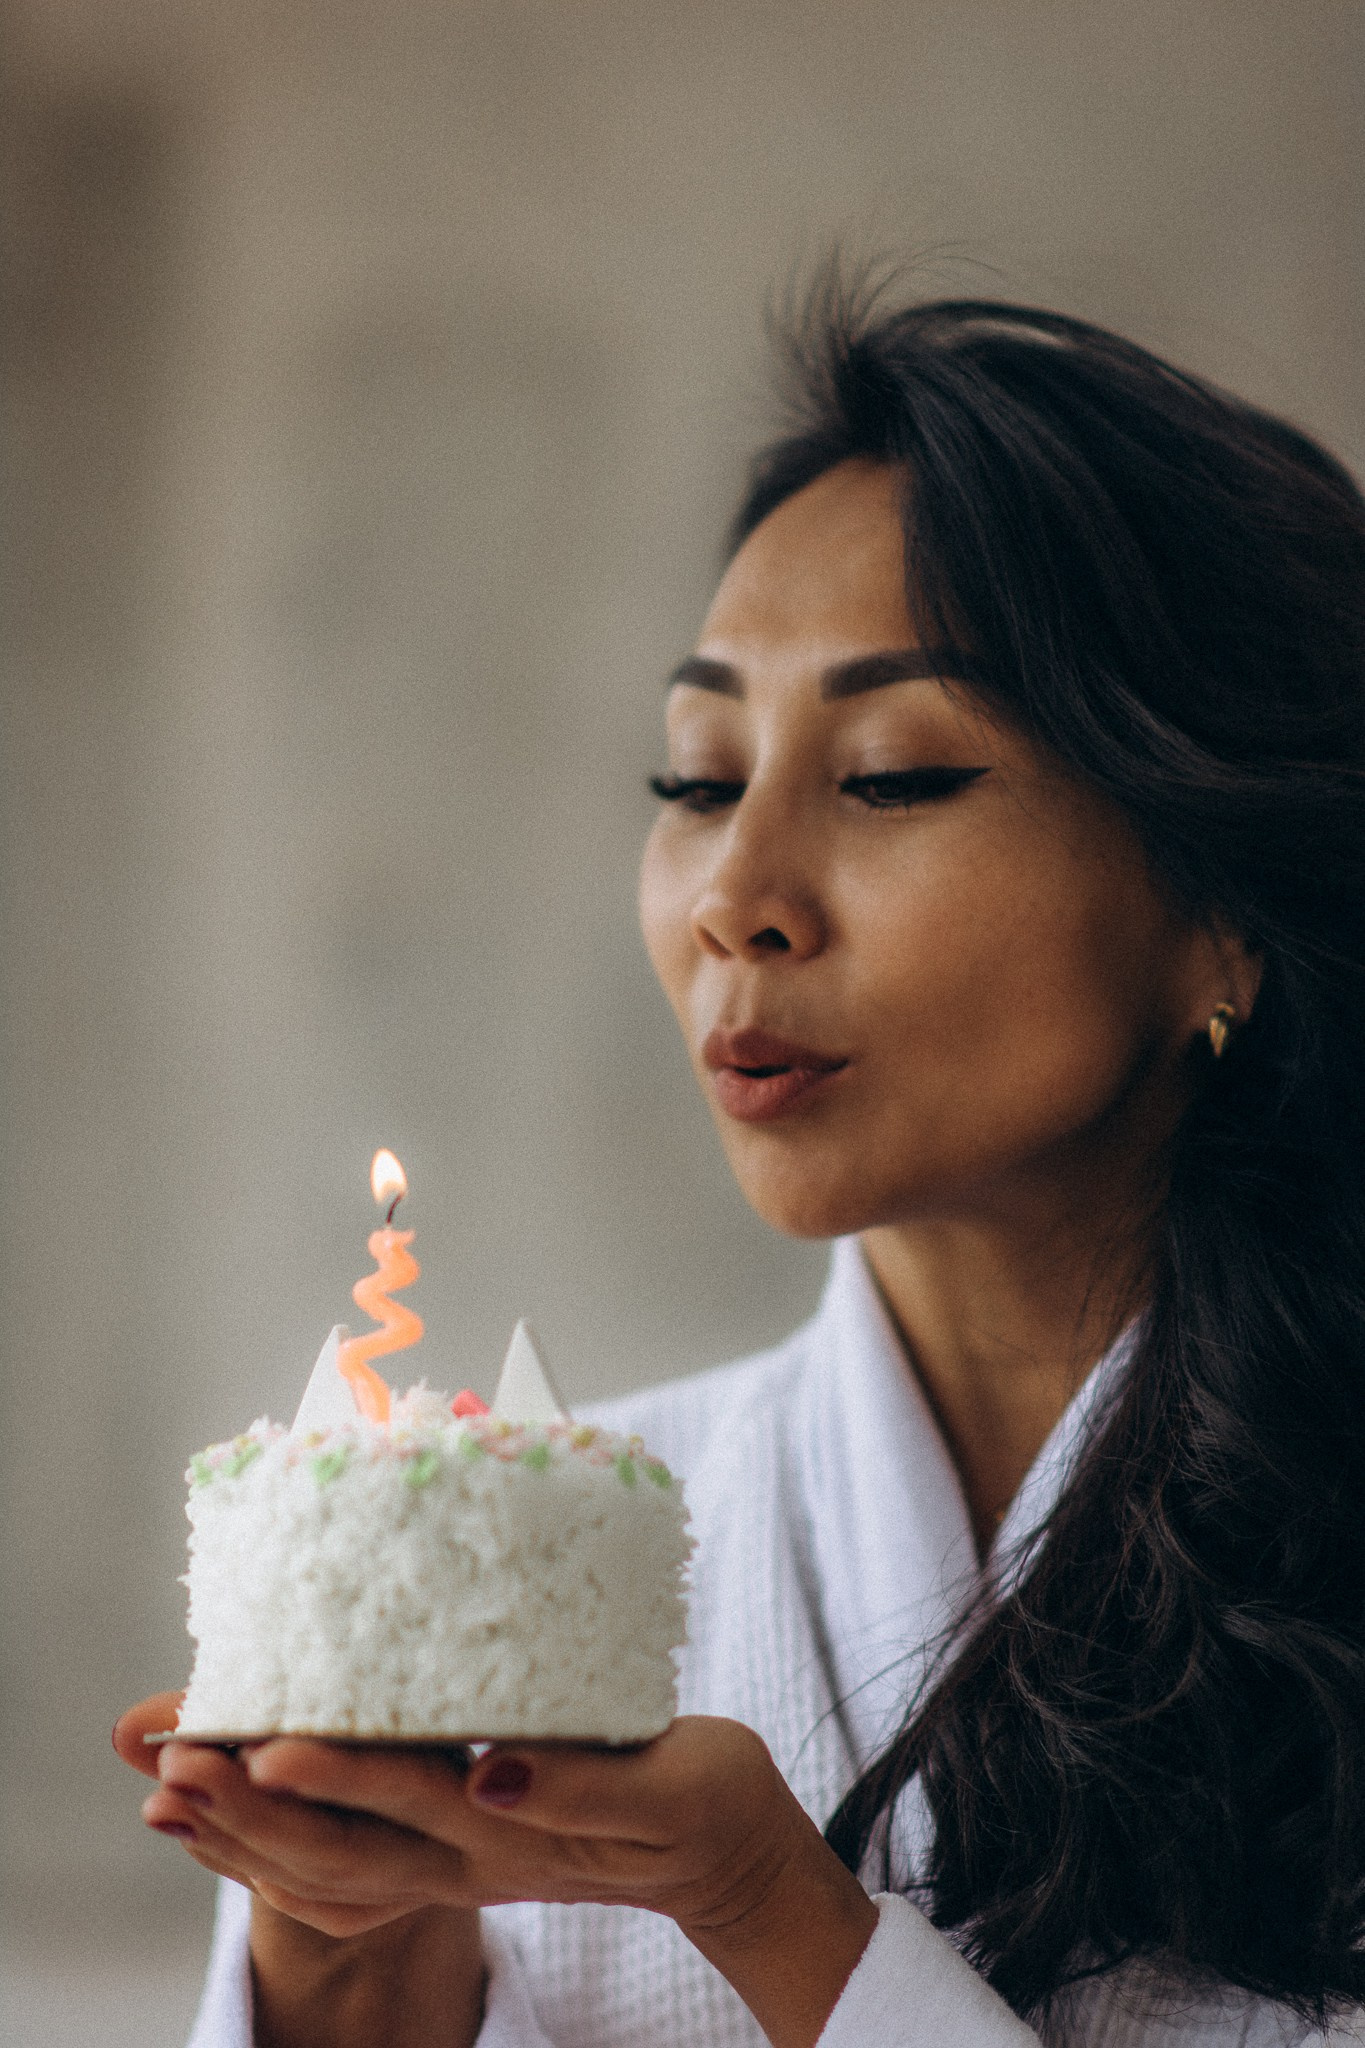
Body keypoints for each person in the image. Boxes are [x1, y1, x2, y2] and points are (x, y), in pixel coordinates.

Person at [115, 275, 1365, 2048]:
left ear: (1218, 908)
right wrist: (352, 1965)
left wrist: (770, 1913)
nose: (733, 897)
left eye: (896, 774)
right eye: (698, 776)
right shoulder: (568, 1564)